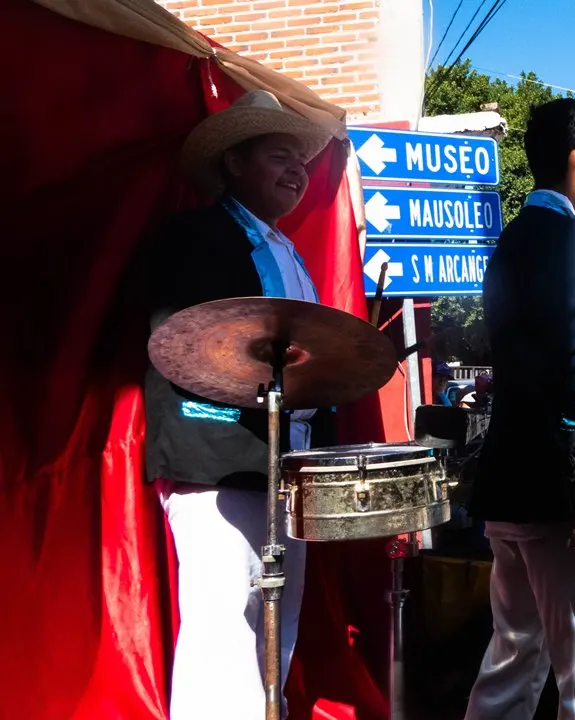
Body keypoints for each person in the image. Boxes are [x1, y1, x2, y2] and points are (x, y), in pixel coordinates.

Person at [144, 90, 336, 719]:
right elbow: (187, 346)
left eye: (302, 161)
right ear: (231, 162)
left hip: (289, 464)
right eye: (280, 156)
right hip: (218, 457)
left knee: (276, 622)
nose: (296, 172)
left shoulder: (289, 248)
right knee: (225, 624)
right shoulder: (193, 236)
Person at [465, 98, 575, 719]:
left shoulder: (512, 235)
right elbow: (573, 369)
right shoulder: (562, 236)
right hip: (555, 488)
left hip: (508, 482)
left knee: (514, 660)